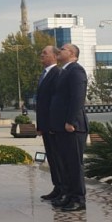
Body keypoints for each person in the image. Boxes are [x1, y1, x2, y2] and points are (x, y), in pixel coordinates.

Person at [50, 43, 88, 212]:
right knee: (66, 164)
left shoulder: (76, 70)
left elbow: (78, 98)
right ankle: (70, 196)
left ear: (72, 53)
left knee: (74, 164)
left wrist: (71, 121)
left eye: (63, 49)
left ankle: (79, 199)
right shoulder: (64, 71)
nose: (59, 51)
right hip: (61, 127)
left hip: (73, 127)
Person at [34, 45, 62, 202]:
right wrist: (40, 126)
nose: (41, 55)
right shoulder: (44, 74)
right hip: (45, 126)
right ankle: (57, 187)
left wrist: (52, 124)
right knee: (51, 157)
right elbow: (42, 104)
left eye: (45, 53)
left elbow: (54, 103)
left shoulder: (56, 73)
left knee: (57, 158)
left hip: (53, 126)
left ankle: (62, 188)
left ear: (54, 56)